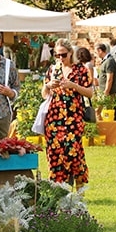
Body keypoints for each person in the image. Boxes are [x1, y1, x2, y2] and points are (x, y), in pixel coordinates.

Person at [41, 38, 94, 187]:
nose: (60, 58)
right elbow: (44, 94)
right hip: (54, 117)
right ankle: (58, 186)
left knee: (74, 152)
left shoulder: (81, 69)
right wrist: (48, 85)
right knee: (54, 153)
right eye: (57, 55)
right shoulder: (53, 69)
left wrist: (73, 85)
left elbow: (90, 93)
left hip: (73, 117)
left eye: (63, 55)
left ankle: (79, 185)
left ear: (71, 53)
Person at [95, 43, 116, 110]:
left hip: (107, 92)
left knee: (106, 111)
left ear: (100, 50)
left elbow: (110, 78)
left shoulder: (109, 61)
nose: (96, 54)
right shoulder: (106, 60)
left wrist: (106, 92)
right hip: (103, 91)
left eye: (96, 52)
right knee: (101, 111)